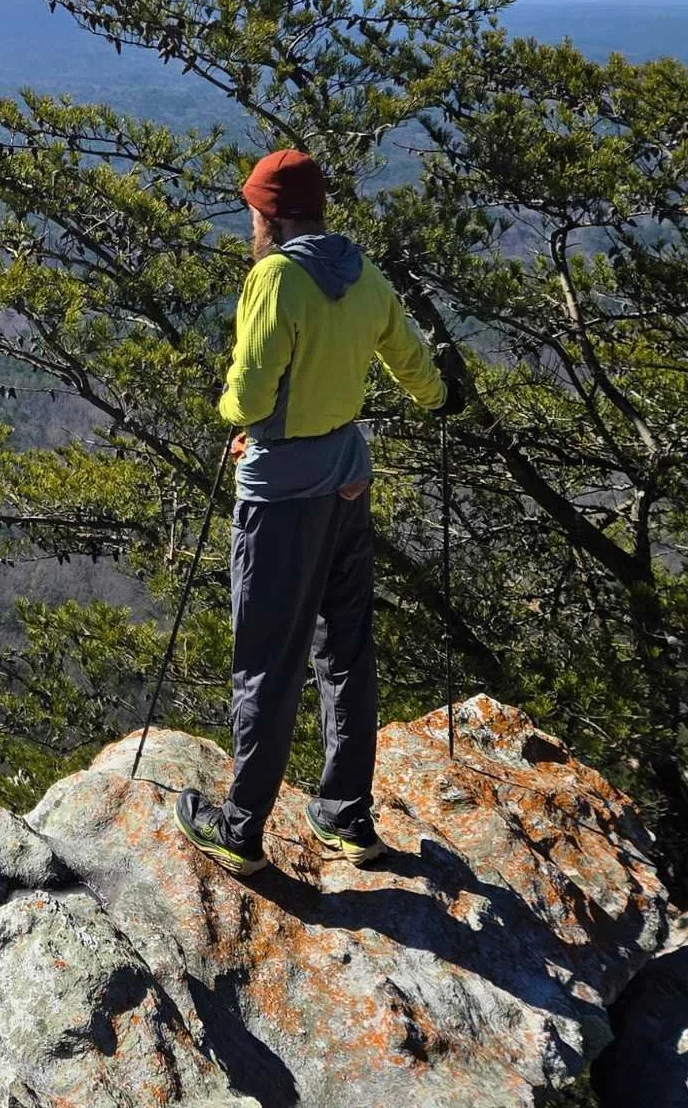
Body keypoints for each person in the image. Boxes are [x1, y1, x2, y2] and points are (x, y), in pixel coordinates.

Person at [173, 147, 462, 876]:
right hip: (347, 481)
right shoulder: (362, 274)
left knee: (267, 659)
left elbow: (251, 392)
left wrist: (231, 413)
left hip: (280, 494)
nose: (249, 226)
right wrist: (444, 399)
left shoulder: (274, 278)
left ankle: (239, 827)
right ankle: (346, 815)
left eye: (251, 213)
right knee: (345, 646)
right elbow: (412, 366)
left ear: (268, 215)